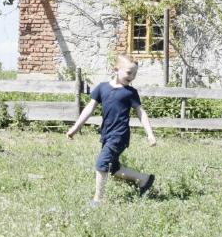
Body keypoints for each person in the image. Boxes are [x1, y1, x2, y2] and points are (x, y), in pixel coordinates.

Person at [66, 55, 158, 206]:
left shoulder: (130, 92)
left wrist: (150, 134)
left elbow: (141, 112)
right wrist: (75, 127)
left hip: (120, 135)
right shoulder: (102, 88)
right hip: (106, 134)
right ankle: (144, 179)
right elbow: (89, 108)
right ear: (116, 69)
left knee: (101, 164)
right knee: (113, 169)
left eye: (134, 74)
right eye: (129, 72)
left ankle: (97, 200)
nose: (132, 77)